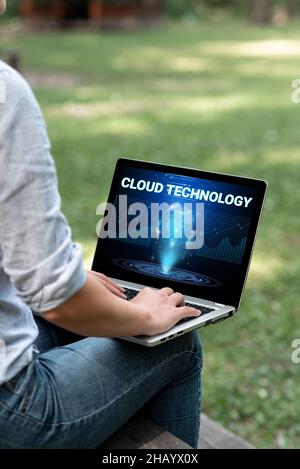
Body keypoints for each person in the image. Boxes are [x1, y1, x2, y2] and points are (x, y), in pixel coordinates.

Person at [0, 0, 202, 448]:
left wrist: (65, 278)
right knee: (175, 341)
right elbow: (59, 302)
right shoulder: (4, 92)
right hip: (12, 414)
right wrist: (143, 316)